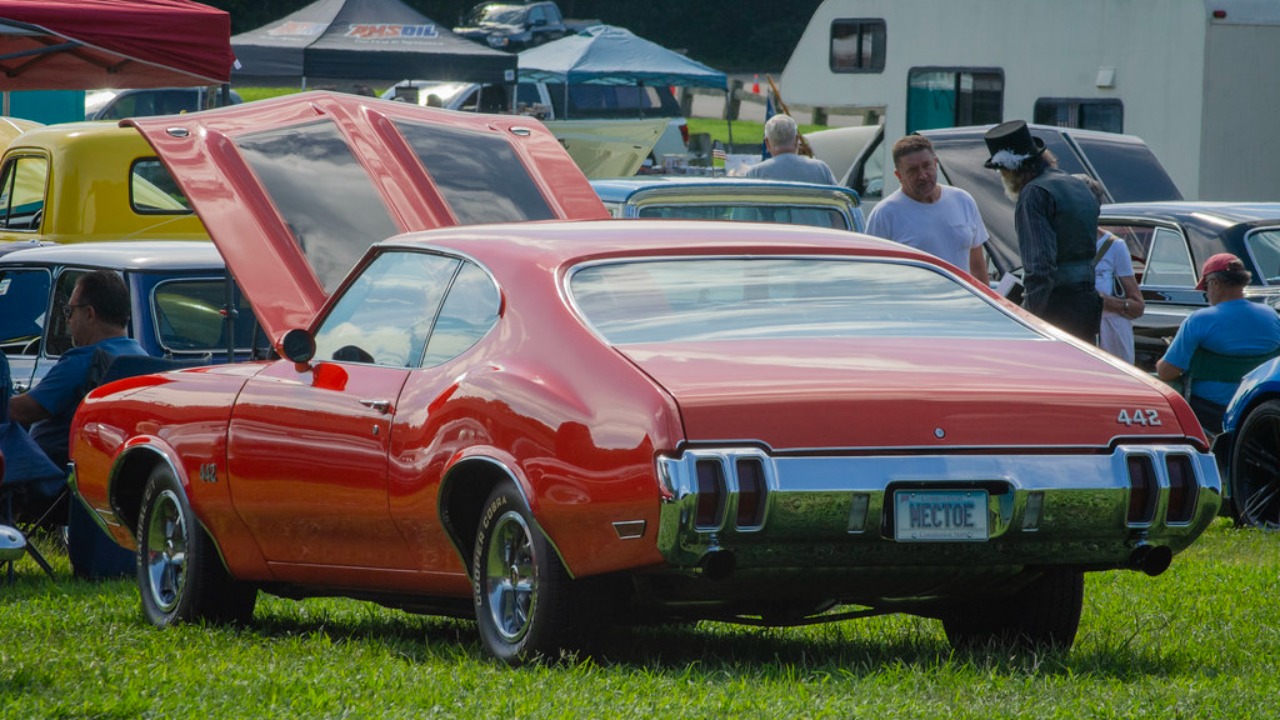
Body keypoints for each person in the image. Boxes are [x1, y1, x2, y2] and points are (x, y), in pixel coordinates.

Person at [9, 270, 146, 469]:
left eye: (70, 312)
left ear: (89, 314)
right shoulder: (142, 358)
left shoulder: (84, 360)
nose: (68, 321)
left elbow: (22, 411)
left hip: (51, 479)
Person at [983, 120, 1102, 342]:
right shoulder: (1077, 184)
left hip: (1056, 308)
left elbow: (1040, 269)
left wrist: (1028, 318)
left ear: (1010, 169)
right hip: (1087, 302)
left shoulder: (1033, 193)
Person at [1157, 253, 1280, 433]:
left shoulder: (1199, 320)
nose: (1206, 294)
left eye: (1205, 287)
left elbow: (1167, 372)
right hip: (1258, 409)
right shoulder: (1272, 317)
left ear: (1215, 284)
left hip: (1210, 414)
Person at [866, 134, 990, 284]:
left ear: (936, 163)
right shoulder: (885, 214)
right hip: (917, 306)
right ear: (899, 175)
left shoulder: (962, 200)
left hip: (961, 304)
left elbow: (977, 266)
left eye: (926, 165)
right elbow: (874, 274)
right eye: (912, 170)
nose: (923, 175)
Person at [1073, 174, 1145, 362]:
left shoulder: (1115, 246)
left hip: (1109, 336)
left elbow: (1138, 307)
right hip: (1073, 333)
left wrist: (1106, 302)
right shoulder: (1054, 243)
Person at [745, 114, 838, 184]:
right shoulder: (820, 169)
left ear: (767, 143)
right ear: (797, 139)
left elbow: (744, 209)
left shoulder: (755, 173)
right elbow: (840, 203)